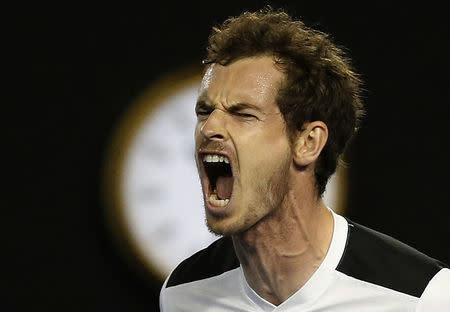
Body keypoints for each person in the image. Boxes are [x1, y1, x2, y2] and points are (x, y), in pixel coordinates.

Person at [159, 7, 449, 311]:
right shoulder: (182, 293)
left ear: (308, 143)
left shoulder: (423, 298)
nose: (210, 128)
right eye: (204, 112)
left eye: (243, 114)